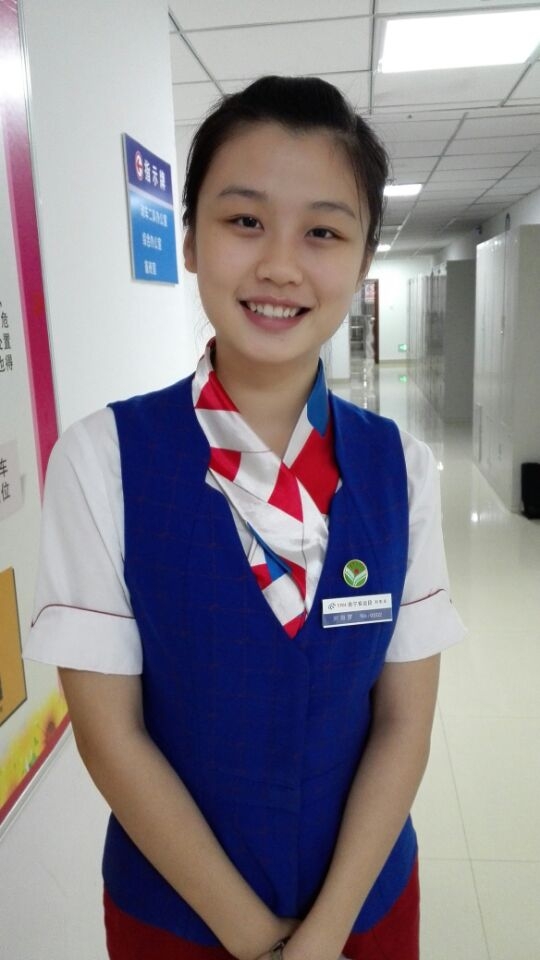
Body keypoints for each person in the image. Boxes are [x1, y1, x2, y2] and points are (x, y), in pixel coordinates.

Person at [25, 75, 464, 960]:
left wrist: (324, 935)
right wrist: (257, 938)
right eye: (244, 220)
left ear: (363, 260)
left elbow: (404, 726)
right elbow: (111, 737)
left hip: (365, 907)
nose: (280, 266)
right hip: (177, 917)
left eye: (323, 232)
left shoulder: (402, 469)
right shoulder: (101, 461)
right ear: (189, 239)